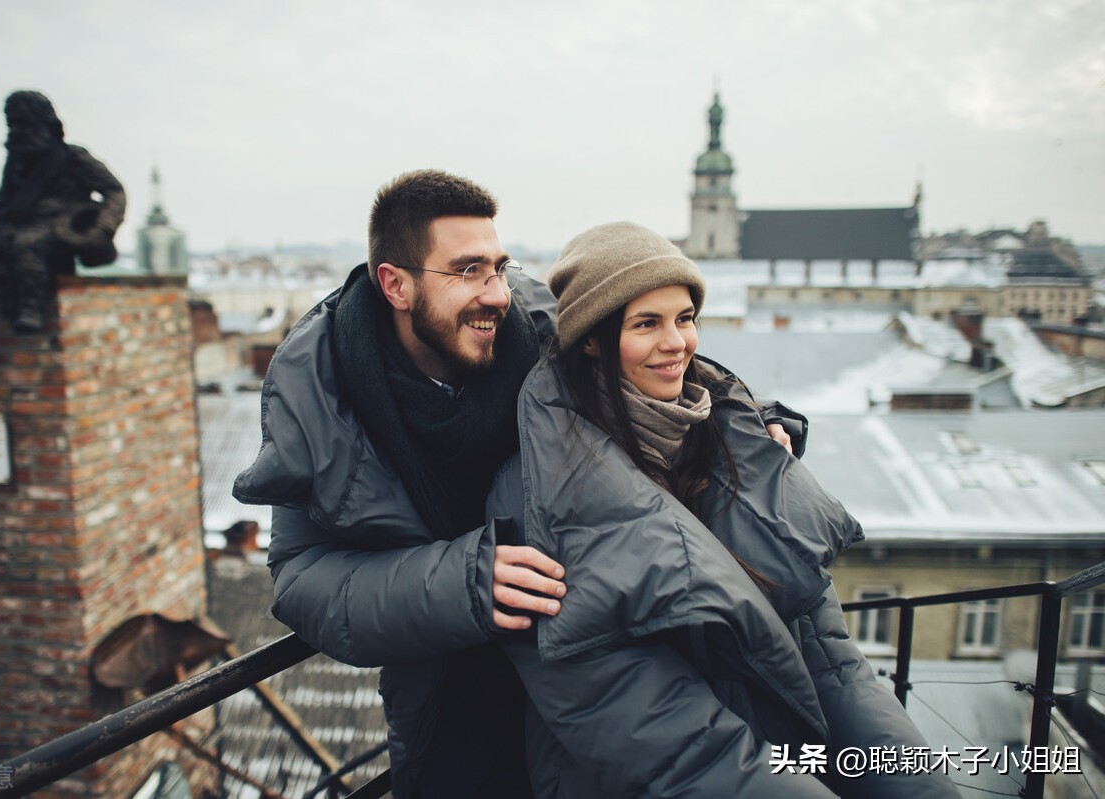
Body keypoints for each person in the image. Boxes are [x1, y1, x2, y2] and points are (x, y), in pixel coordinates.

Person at [234, 171, 799, 797]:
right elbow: (302, 578)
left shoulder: (536, 327)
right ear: (395, 283)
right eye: (469, 270)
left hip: (590, 675)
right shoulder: (323, 399)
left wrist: (752, 420)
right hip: (456, 705)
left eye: (500, 267)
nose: (497, 293)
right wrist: (465, 582)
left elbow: (653, 364)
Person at [486, 221, 960, 798]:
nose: (676, 342)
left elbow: (832, 662)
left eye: (685, 318)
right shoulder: (539, 492)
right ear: (590, 339)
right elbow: (648, 726)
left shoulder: (735, 448)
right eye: (646, 323)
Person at [0, 90, 126, 333]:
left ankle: (31, 312)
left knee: (29, 244)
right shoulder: (17, 163)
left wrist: (101, 228)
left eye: (24, 123)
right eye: (12, 124)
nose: (17, 131)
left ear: (43, 123)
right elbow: (2, 203)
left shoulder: (73, 158)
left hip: (58, 232)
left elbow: (115, 191)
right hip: (15, 228)